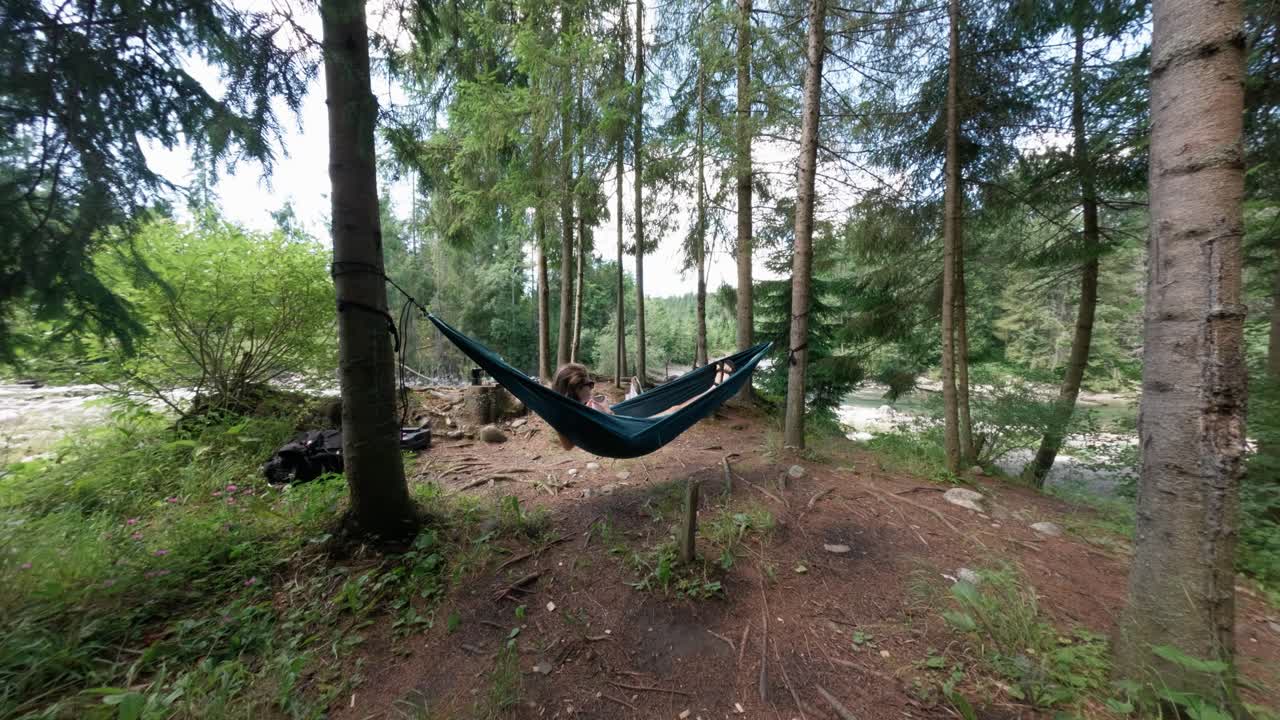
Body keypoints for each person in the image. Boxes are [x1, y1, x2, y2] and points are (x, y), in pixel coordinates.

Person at [550, 360, 734, 451]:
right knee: (675, 410)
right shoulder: (566, 416)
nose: (592, 387)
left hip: (623, 430)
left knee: (672, 407)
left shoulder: (566, 411)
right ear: (574, 389)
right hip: (626, 437)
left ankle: (714, 387)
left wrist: (596, 409)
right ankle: (715, 388)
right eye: (589, 385)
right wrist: (605, 410)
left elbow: (570, 443)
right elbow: (571, 445)